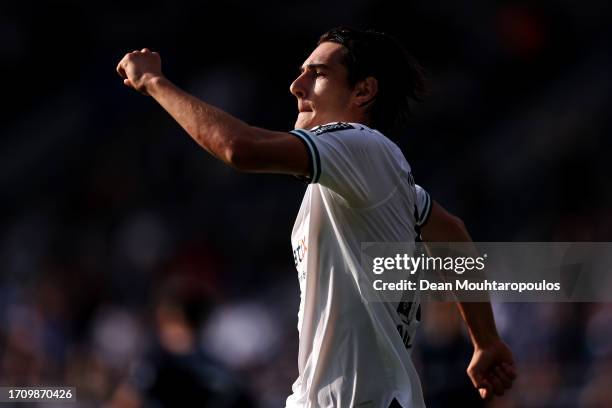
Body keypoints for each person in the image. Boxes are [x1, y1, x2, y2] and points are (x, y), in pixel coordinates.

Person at [116, 27, 516, 408]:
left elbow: (240, 148)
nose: (297, 85)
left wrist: (153, 82)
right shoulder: (381, 180)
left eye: (318, 73)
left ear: (363, 90)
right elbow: (451, 233)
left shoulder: (361, 144)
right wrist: (485, 341)